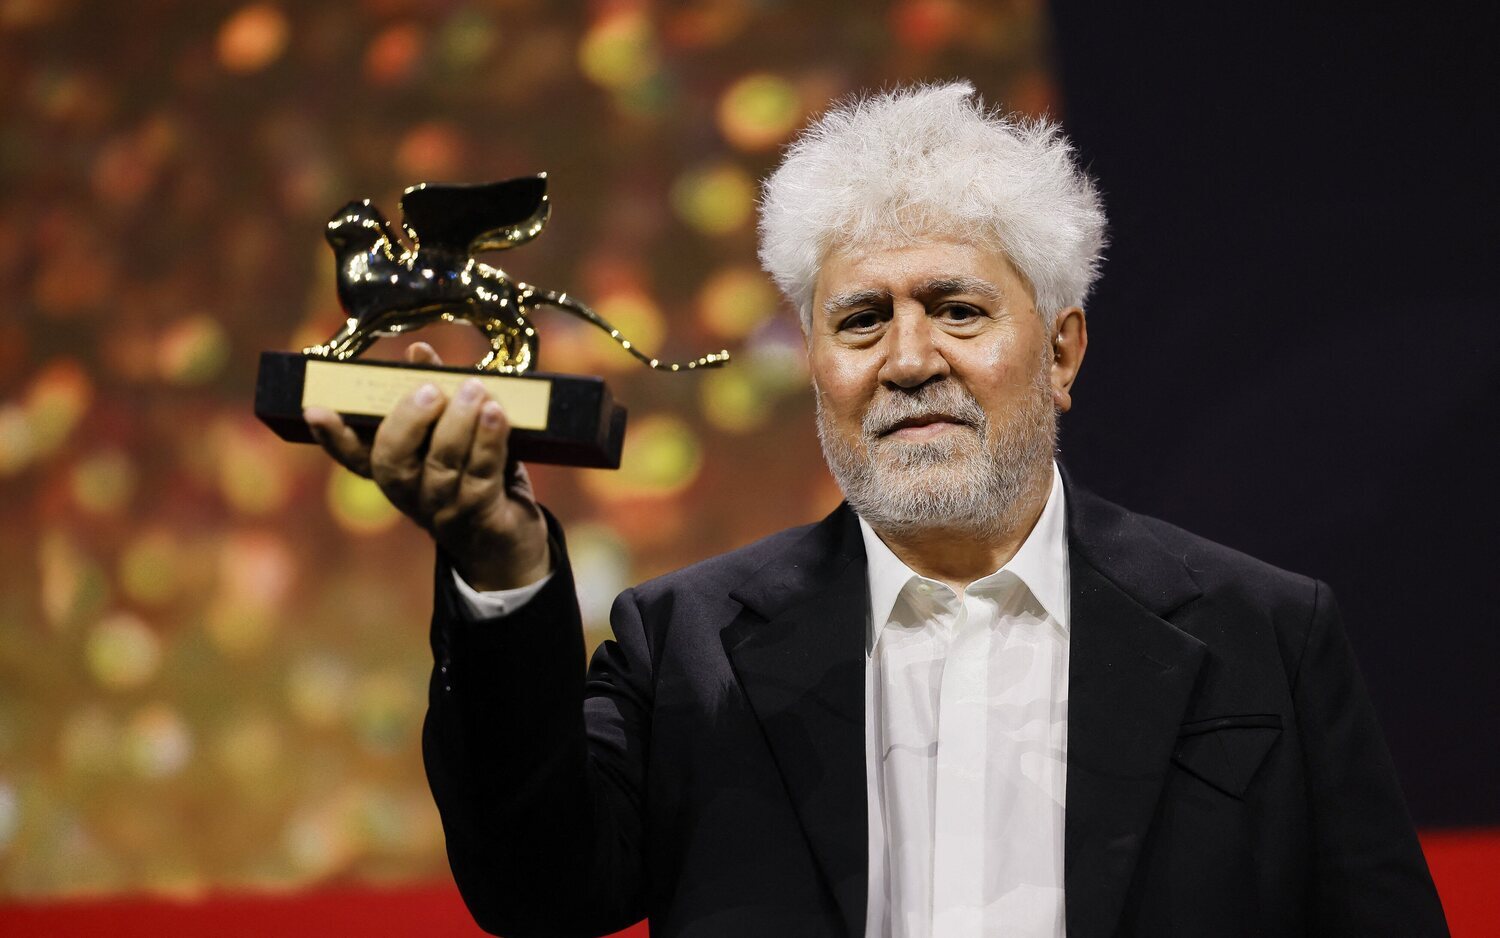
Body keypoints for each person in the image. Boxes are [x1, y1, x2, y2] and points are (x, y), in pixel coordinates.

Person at [306, 83, 1448, 937]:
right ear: (815, 364)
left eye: (957, 308)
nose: (909, 359)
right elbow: (535, 889)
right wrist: (499, 563)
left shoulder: (1267, 634)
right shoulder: (685, 645)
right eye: (860, 320)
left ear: (1061, 349)